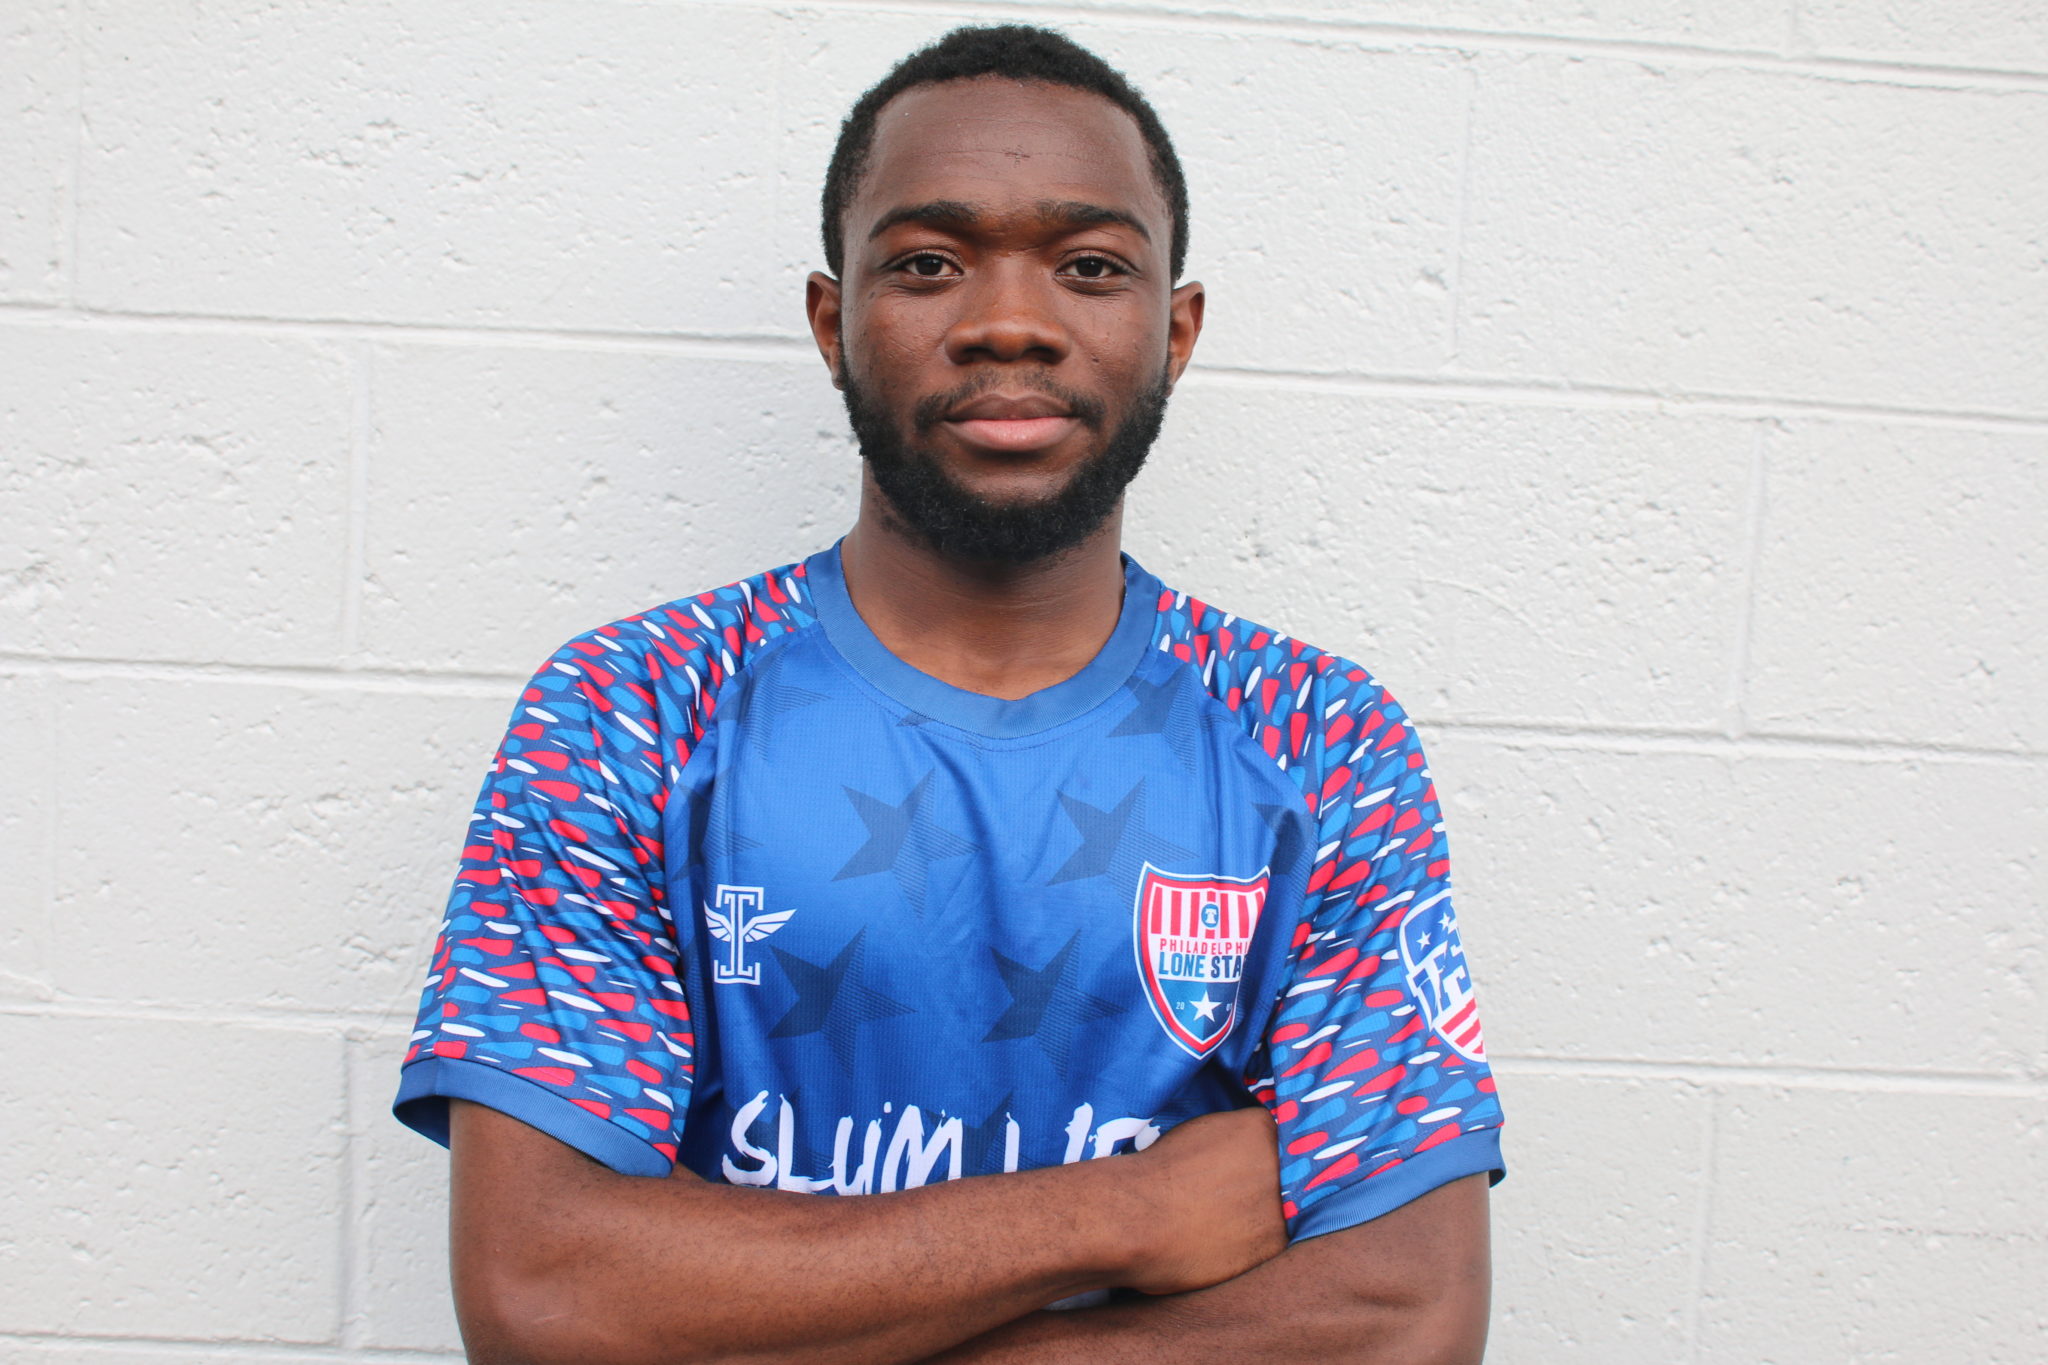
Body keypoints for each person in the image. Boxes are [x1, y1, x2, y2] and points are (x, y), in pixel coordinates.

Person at [393, 23, 1505, 1364]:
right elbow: (546, 1297)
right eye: (927, 263)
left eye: (1091, 267)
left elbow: (1404, 1317)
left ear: (1175, 329)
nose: (1008, 323)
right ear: (833, 322)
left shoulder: (1317, 738)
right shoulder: (633, 709)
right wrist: (1125, 1212)